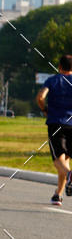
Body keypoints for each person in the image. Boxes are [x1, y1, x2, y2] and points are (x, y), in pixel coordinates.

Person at [36, 54, 72, 206]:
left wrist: (44, 109)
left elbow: (40, 97)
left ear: (59, 66)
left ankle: (70, 175)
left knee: (58, 159)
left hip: (56, 123)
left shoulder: (52, 80)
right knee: (65, 159)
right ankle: (58, 194)